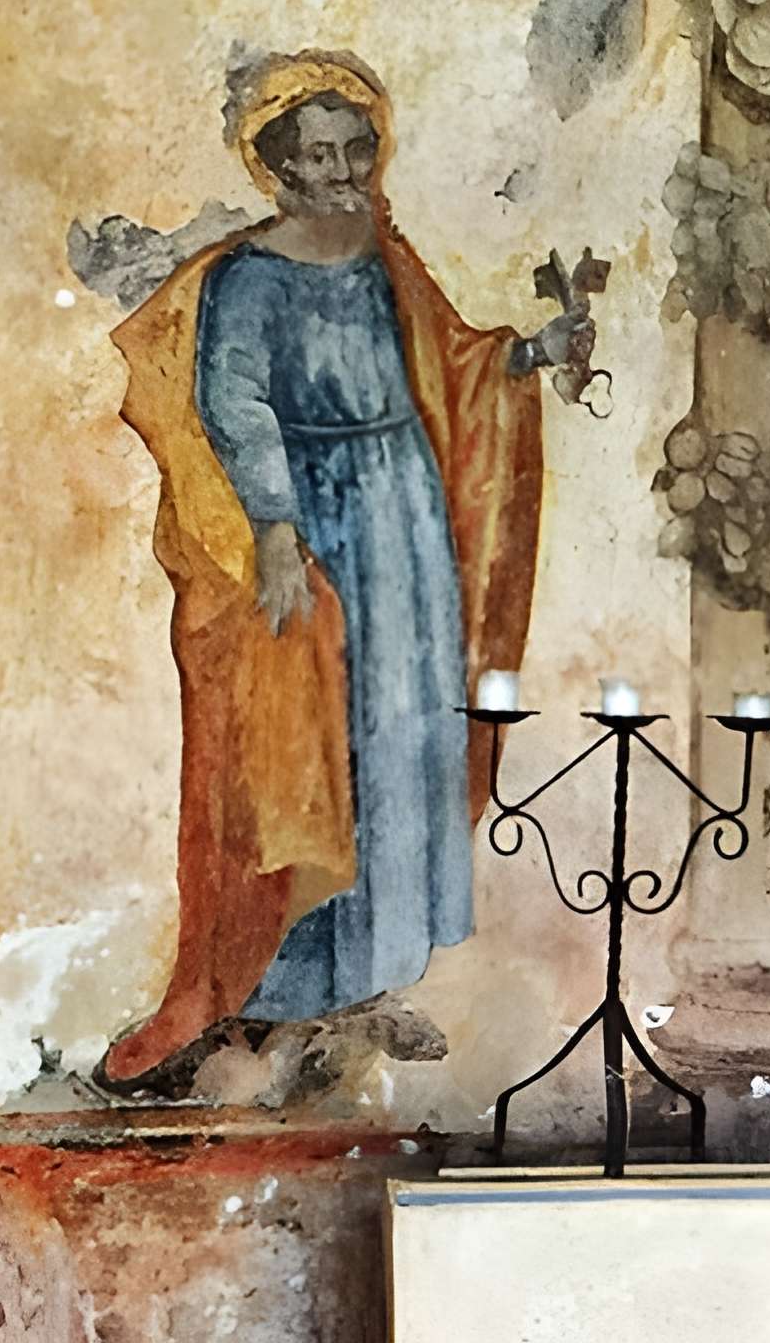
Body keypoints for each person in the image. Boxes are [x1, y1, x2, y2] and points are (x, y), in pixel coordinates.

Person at [98, 52, 588, 1085]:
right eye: (314, 153)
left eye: (354, 147)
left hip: (401, 511)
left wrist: (532, 354)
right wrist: (275, 523)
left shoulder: (381, 250)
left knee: (402, 735)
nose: (338, 170)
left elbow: (448, 360)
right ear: (275, 166)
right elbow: (231, 401)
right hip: (313, 526)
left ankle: (368, 980)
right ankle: (283, 991)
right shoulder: (248, 274)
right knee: (309, 745)